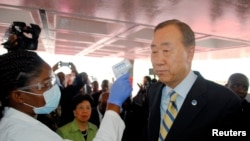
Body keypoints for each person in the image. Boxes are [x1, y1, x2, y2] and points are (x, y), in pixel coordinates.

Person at [147, 19, 244, 141]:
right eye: (154, 51)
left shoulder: (224, 101)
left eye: (166, 51)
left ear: (190, 53)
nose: (158, 61)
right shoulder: (153, 91)